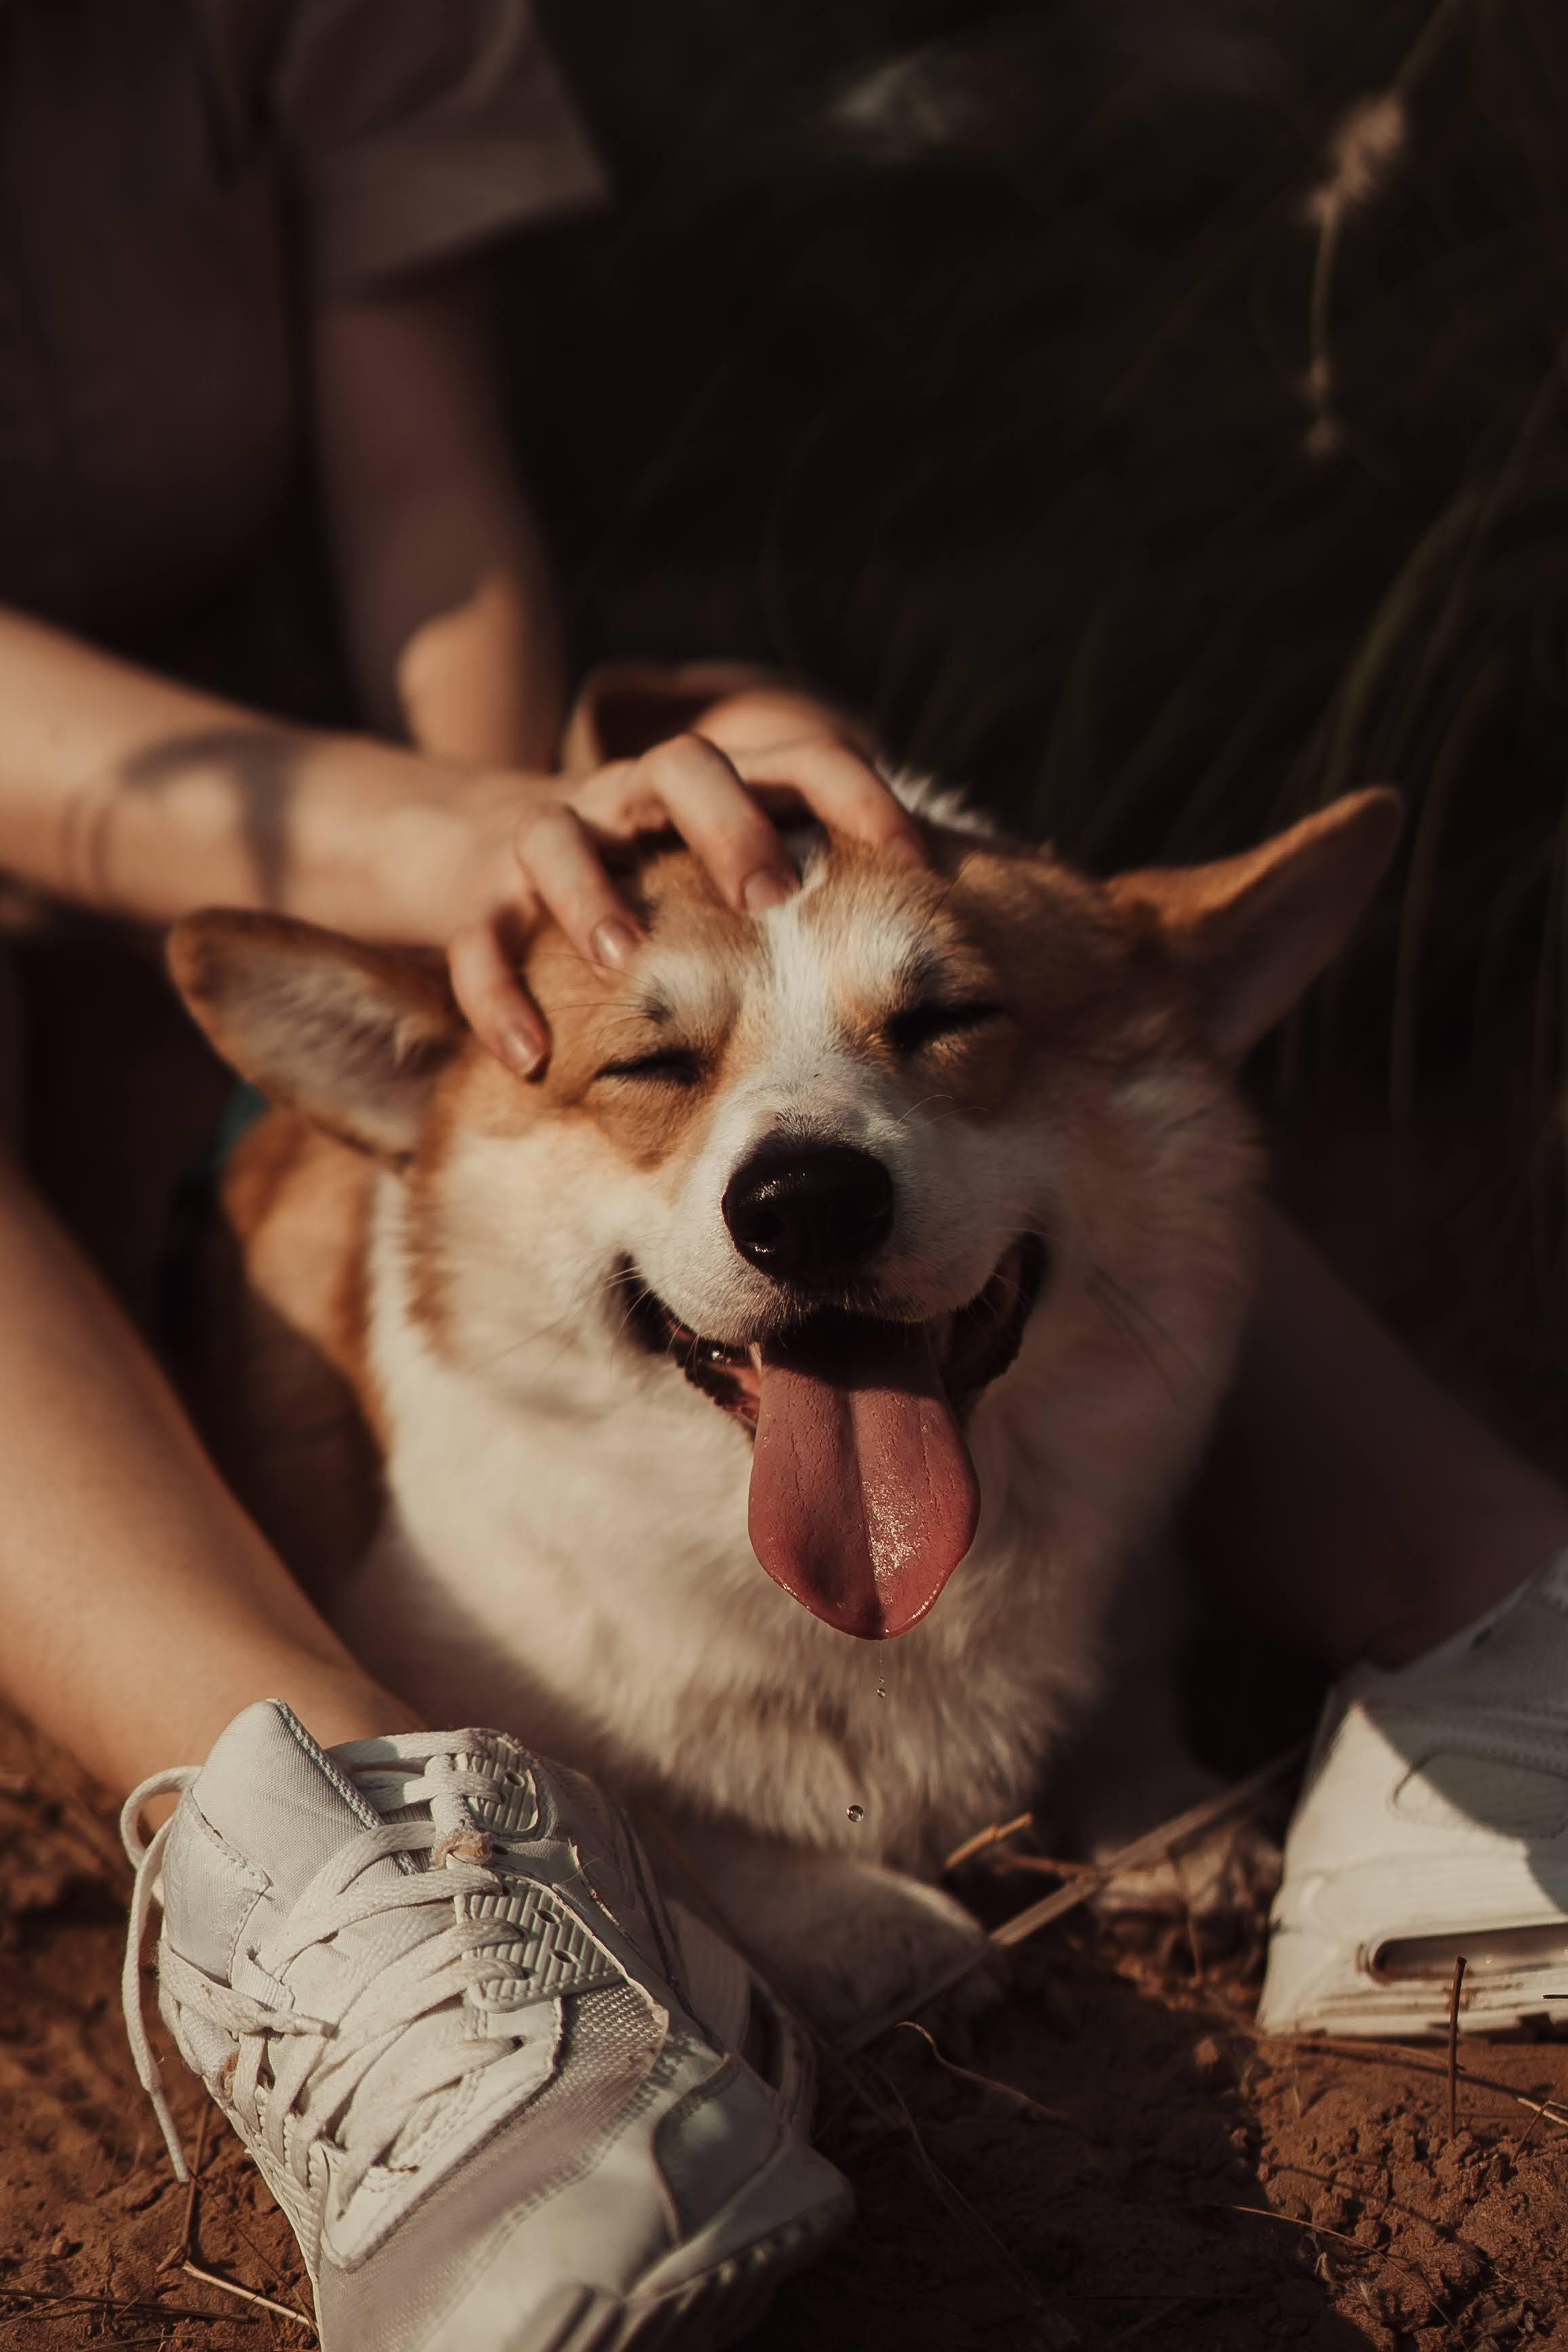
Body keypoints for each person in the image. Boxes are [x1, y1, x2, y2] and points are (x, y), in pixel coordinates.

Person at [0, 2, 1563, 2343]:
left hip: (303, 769)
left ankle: (1478, 1577)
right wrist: (431, 845)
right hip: (123, 851)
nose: (807, 1167)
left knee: (748, 759)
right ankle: (372, 1851)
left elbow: (432, 513)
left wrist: (542, 885)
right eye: (663, 1070)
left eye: (939, 1034)